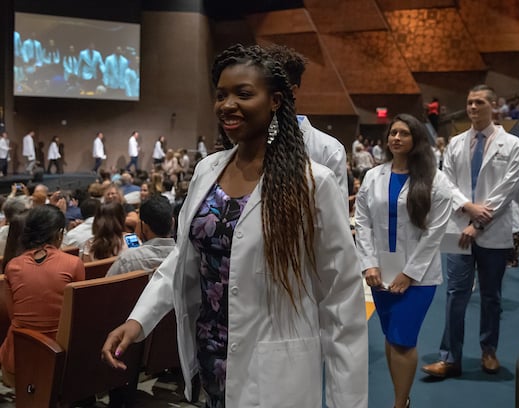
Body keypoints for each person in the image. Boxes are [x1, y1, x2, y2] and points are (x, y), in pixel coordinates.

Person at [101, 44, 368, 408]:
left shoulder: (311, 182)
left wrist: (347, 401)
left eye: (243, 94)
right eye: (221, 95)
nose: (228, 104)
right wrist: (139, 320)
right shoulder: (207, 170)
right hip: (211, 359)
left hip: (276, 368)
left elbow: (341, 297)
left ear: (275, 101)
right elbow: (184, 258)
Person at [421, 85, 519, 378]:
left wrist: (477, 222)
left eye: (479, 102)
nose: (473, 108)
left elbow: (506, 190)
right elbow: (446, 184)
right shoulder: (454, 144)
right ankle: (450, 357)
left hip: (492, 230)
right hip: (459, 230)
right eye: (469, 103)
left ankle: (488, 351)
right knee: (455, 294)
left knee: (491, 296)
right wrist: (468, 207)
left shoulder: (513, 144)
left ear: (493, 105)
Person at [355, 114, 453, 408]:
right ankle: (403, 399)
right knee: (390, 334)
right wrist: (369, 264)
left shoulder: (437, 181)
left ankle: (399, 403)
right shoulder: (374, 176)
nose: (396, 138)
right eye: (393, 133)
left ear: (417, 139)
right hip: (380, 272)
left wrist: (409, 274)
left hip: (419, 278)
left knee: (402, 338)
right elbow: (363, 222)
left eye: (404, 133)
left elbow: (435, 233)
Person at [0, 205, 85, 384]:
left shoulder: (12, 266)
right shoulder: (74, 263)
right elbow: (77, 315)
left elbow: (13, 314)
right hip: (61, 356)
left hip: (17, 358)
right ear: (59, 233)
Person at [267, 45, 349, 201]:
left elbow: (335, 220)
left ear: (293, 91)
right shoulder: (251, 144)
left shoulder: (329, 149)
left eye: (270, 90)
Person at [106, 196, 175, 277]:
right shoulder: (187, 253)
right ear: (172, 223)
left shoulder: (126, 260)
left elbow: (107, 285)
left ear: (143, 226)